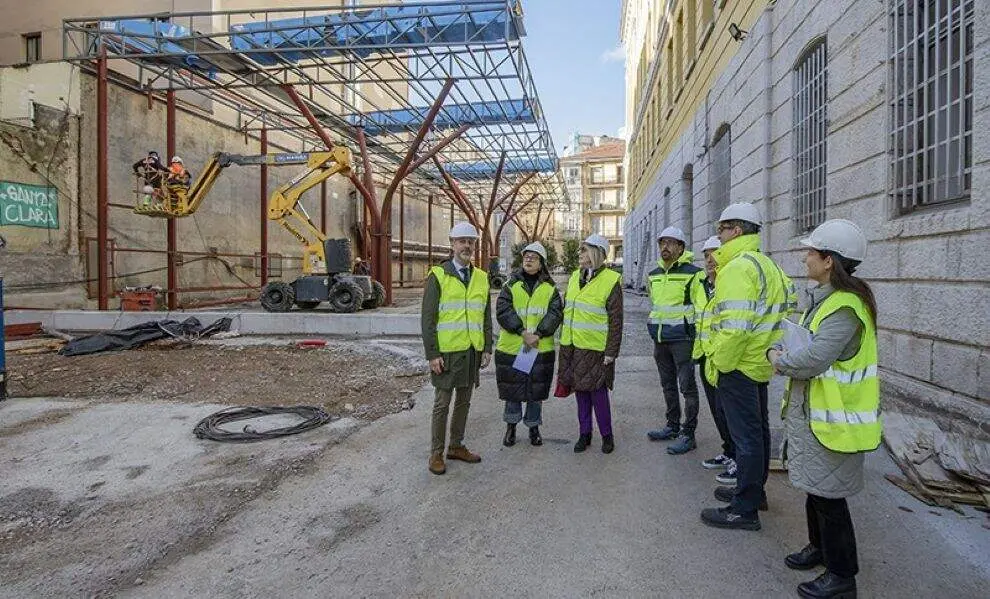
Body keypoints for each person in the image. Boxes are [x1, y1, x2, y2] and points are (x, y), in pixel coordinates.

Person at [768, 219, 880, 599]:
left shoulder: (845, 308)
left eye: (811, 253)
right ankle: (818, 549)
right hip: (816, 417)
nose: (805, 258)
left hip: (836, 424)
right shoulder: (827, 300)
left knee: (830, 500)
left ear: (829, 261)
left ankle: (841, 575)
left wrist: (778, 358)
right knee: (816, 492)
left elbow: (813, 359)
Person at [700, 202, 795, 531]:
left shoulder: (738, 268)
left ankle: (744, 509)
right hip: (758, 362)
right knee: (757, 434)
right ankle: (754, 493)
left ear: (736, 231)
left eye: (722, 229)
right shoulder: (767, 265)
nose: (718, 235)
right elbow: (787, 308)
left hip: (738, 364)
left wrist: (719, 362)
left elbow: (735, 327)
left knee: (747, 438)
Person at [420, 222, 493, 475]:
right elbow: (428, 319)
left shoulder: (481, 277)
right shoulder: (438, 276)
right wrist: (432, 354)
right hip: (447, 352)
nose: (466, 246)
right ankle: (436, 454)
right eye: (461, 241)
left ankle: (456, 446)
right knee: (442, 404)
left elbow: (485, 315)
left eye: (470, 242)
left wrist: (487, 347)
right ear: (452, 243)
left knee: (464, 401)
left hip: (472, 350)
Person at [556, 234, 623, 454]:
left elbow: (616, 320)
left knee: (598, 395)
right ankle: (584, 433)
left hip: (596, 349)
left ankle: (607, 435)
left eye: (584, 250)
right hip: (573, 345)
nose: (580, 254)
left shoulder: (611, 280)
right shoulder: (575, 276)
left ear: (596, 253)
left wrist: (611, 351)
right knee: (581, 394)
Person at [494, 242, 563, 447]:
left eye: (534, 257)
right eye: (526, 256)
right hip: (514, 348)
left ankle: (534, 427)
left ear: (541, 263)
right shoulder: (510, 285)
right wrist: (523, 333)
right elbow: (503, 311)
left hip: (539, 349)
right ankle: (511, 427)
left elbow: (555, 314)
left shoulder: (550, 289)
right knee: (513, 391)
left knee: (535, 392)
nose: (529, 259)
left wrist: (539, 334)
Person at [645, 226, 703, 455]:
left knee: (687, 388)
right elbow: (655, 305)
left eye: (670, 243)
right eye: (662, 243)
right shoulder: (654, 275)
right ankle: (672, 425)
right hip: (660, 339)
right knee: (667, 385)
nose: (664, 247)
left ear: (681, 247)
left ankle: (688, 434)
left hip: (683, 340)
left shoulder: (693, 273)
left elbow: (700, 307)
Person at [693, 236, 736, 478]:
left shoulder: (730, 282)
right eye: (706, 255)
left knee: (730, 412)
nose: (710, 260)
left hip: (725, 358)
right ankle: (728, 451)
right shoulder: (700, 284)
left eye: (715, 254)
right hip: (705, 357)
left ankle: (738, 458)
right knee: (717, 411)